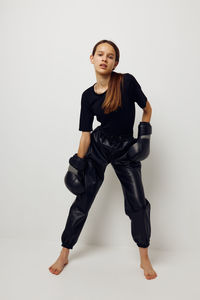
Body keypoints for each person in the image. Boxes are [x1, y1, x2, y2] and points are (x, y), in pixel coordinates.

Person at [49, 40, 157, 280]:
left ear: (115, 62)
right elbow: (86, 134)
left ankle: (144, 257)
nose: (104, 59)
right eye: (100, 54)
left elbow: (147, 108)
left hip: (125, 150)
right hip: (98, 146)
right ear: (92, 58)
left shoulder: (126, 82)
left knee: (138, 204)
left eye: (110, 56)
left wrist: (144, 137)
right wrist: (76, 164)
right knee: (82, 200)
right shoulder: (87, 96)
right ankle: (65, 252)